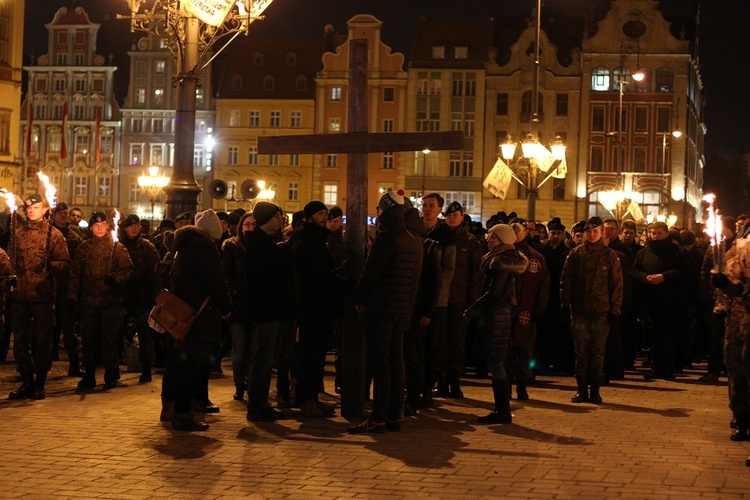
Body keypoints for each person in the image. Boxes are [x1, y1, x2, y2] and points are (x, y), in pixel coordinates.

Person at [349, 191, 422, 434]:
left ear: (386, 211)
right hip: (401, 309)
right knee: (395, 361)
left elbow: (370, 276)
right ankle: (394, 415)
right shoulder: (411, 240)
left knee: (380, 363)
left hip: (380, 309)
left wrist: (356, 298)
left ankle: (378, 417)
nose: (377, 214)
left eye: (379, 210)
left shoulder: (386, 239)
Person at [167, 209, 232, 431]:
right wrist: (227, 308)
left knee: (184, 364)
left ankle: (178, 409)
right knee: (191, 366)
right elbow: (216, 281)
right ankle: (183, 414)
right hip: (199, 317)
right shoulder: (202, 249)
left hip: (187, 314)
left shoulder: (185, 246)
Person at [8, 194, 70, 400]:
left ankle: (40, 382)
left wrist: (50, 266)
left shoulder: (53, 235)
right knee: (20, 342)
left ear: (45, 209)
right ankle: (27, 380)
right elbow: (9, 262)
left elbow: (64, 262)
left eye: (35, 207)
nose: (31, 210)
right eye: (28, 207)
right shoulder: (17, 234)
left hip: (43, 297)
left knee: (42, 341)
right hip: (20, 297)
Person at [292, 201, 351, 418]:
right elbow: (317, 275)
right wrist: (345, 283)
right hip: (311, 305)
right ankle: (306, 399)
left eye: (325, 213)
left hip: (319, 304)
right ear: (308, 217)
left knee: (316, 355)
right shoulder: (306, 240)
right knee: (310, 355)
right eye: (319, 213)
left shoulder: (317, 238)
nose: (323, 217)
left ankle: (312, 399)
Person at [466, 224, 527, 423]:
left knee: (496, 363)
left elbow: (494, 294)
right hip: (500, 315)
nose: (488, 240)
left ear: (502, 240)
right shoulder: (503, 260)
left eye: (492, 237)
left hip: (496, 316)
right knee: (496, 362)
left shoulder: (500, 263)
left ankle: (502, 411)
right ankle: (502, 409)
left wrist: (472, 310)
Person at [560, 216, 623, 404]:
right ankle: (581, 390)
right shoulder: (576, 254)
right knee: (580, 352)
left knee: (597, 353)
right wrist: (564, 305)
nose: (592, 234)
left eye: (596, 231)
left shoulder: (610, 255)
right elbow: (566, 282)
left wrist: (615, 310)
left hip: (601, 312)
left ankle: (595, 390)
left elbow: (617, 284)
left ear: (602, 232)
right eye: (589, 231)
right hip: (579, 311)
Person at [69, 212, 133, 390]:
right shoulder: (84, 248)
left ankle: (110, 374)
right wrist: (72, 297)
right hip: (89, 302)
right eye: (96, 225)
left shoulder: (117, 248)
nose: (99, 228)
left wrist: (116, 280)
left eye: (103, 225)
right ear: (90, 228)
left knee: (110, 341)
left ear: (108, 226)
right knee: (89, 341)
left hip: (110, 303)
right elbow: (75, 274)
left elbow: (127, 270)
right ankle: (89, 375)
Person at [244, 201, 294, 422]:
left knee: (266, 357)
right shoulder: (259, 244)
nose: (280, 220)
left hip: (270, 308)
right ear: (266, 219)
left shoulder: (265, 242)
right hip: (266, 309)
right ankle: (257, 405)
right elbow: (265, 280)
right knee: (263, 358)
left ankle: (261, 403)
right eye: (276, 216)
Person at [632, 221, 688, 381]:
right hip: (650, 300)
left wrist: (664, 277)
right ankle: (656, 367)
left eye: (658, 233)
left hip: (670, 301)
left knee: (669, 336)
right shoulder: (643, 253)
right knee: (654, 336)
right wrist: (645, 278)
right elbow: (634, 270)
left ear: (666, 234)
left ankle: (668, 369)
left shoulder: (677, 252)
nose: (655, 236)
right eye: (652, 233)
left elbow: (684, 271)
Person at [441, 201, 481, 398]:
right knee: (440, 341)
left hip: (459, 299)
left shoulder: (470, 241)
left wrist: (472, 301)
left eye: (455, 215)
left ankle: (454, 382)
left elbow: (476, 273)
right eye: (449, 215)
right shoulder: (439, 237)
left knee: (457, 343)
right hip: (441, 298)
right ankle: (440, 382)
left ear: (462, 217)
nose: (451, 217)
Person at [420, 193, 456, 407]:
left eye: (431, 206)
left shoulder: (446, 235)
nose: (427, 209)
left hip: (437, 301)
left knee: (433, 347)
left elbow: (449, 268)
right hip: (416, 297)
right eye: (424, 205)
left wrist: (436, 296)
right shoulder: (416, 229)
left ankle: (427, 388)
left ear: (439, 209)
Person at [507, 221, 549, 400]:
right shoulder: (503, 254)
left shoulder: (536, 258)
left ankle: (522, 386)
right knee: (506, 353)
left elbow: (544, 285)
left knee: (525, 351)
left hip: (526, 311)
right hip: (506, 312)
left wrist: (539, 309)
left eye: (519, 232)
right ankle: (505, 386)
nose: (516, 236)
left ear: (525, 234)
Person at [119, 214, 160, 383]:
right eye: (130, 226)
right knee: (117, 333)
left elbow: (155, 273)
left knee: (144, 335)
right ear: (125, 228)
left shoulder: (147, 248)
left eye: (137, 225)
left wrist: (152, 296)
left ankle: (146, 368)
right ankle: (113, 367)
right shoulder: (119, 247)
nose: (134, 228)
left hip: (142, 297)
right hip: (122, 297)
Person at [221, 212, 254, 401]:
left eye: (253, 224)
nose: (250, 228)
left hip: (256, 305)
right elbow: (227, 275)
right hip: (239, 306)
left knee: (254, 349)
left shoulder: (260, 246)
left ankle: (251, 381)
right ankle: (239, 384)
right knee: (240, 347)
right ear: (241, 226)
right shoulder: (231, 247)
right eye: (247, 224)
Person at [49, 202, 84, 376]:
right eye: (60, 213)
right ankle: (47, 359)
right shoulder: (47, 234)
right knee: (48, 327)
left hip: (66, 287)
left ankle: (74, 364)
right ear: (53, 215)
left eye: (65, 213)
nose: (63, 215)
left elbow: (78, 263)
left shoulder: (74, 237)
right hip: (48, 287)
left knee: (69, 327)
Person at [541, 217, 572, 374]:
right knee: (545, 332)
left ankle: (561, 364)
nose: (555, 236)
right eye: (553, 233)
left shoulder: (566, 253)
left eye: (558, 233)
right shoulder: (543, 252)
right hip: (546, 297)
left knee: (560, 332)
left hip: (559, 297)